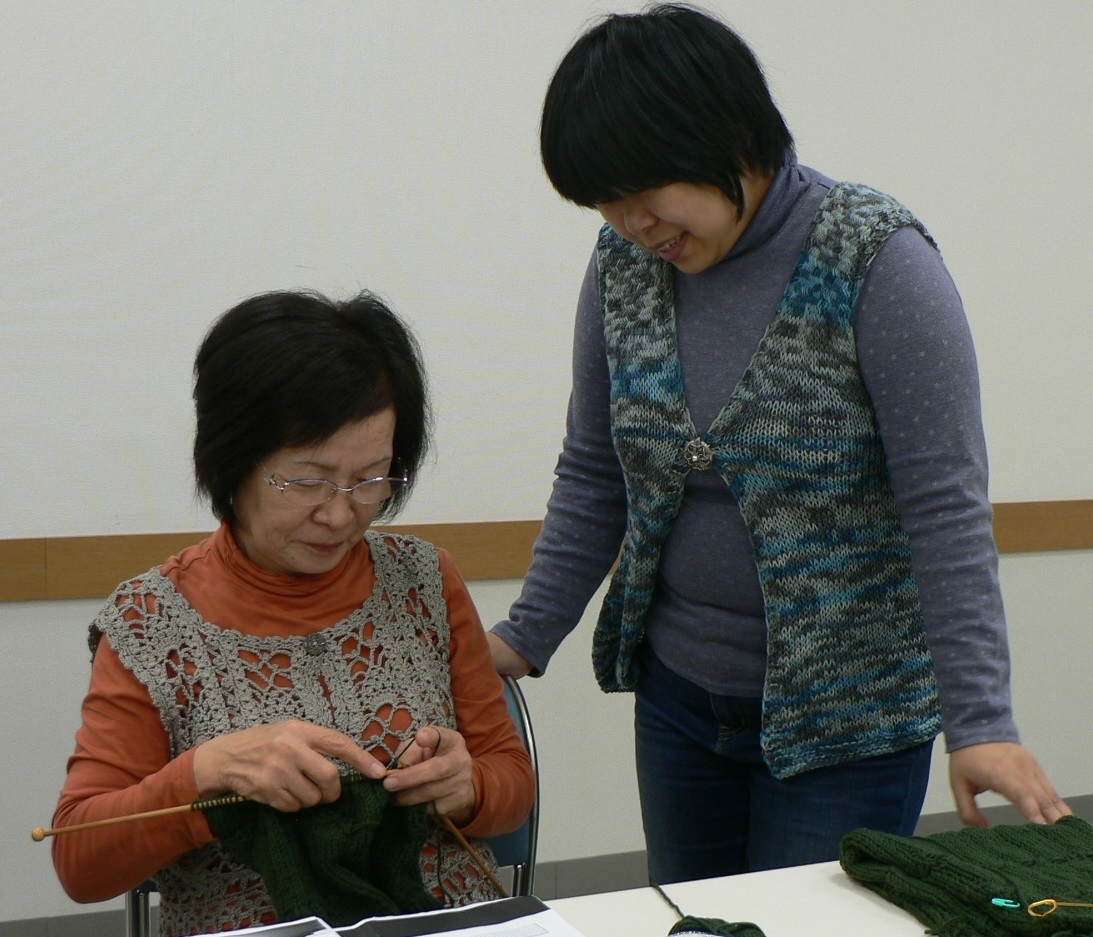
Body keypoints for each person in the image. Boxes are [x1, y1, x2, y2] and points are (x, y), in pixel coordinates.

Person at [487, 3, 1070, 885]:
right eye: (605, 201)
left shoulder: (873, 259)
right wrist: (523, 635)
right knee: (696, 920)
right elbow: (595, 470)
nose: (632, 222)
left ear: (727, 136)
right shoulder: (622, 269)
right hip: (679, 701)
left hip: (848, 725)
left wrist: (981, 721)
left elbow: (943, 508)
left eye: (645, 190)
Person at [52, 290, 535, 934]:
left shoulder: (423, 580)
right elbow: (79, 860)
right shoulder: (150, 623)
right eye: (307, 481)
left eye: (372, 478)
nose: (339, 513)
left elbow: (511, 781)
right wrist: (207, 775)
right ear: (234, 460)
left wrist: (467, 787)